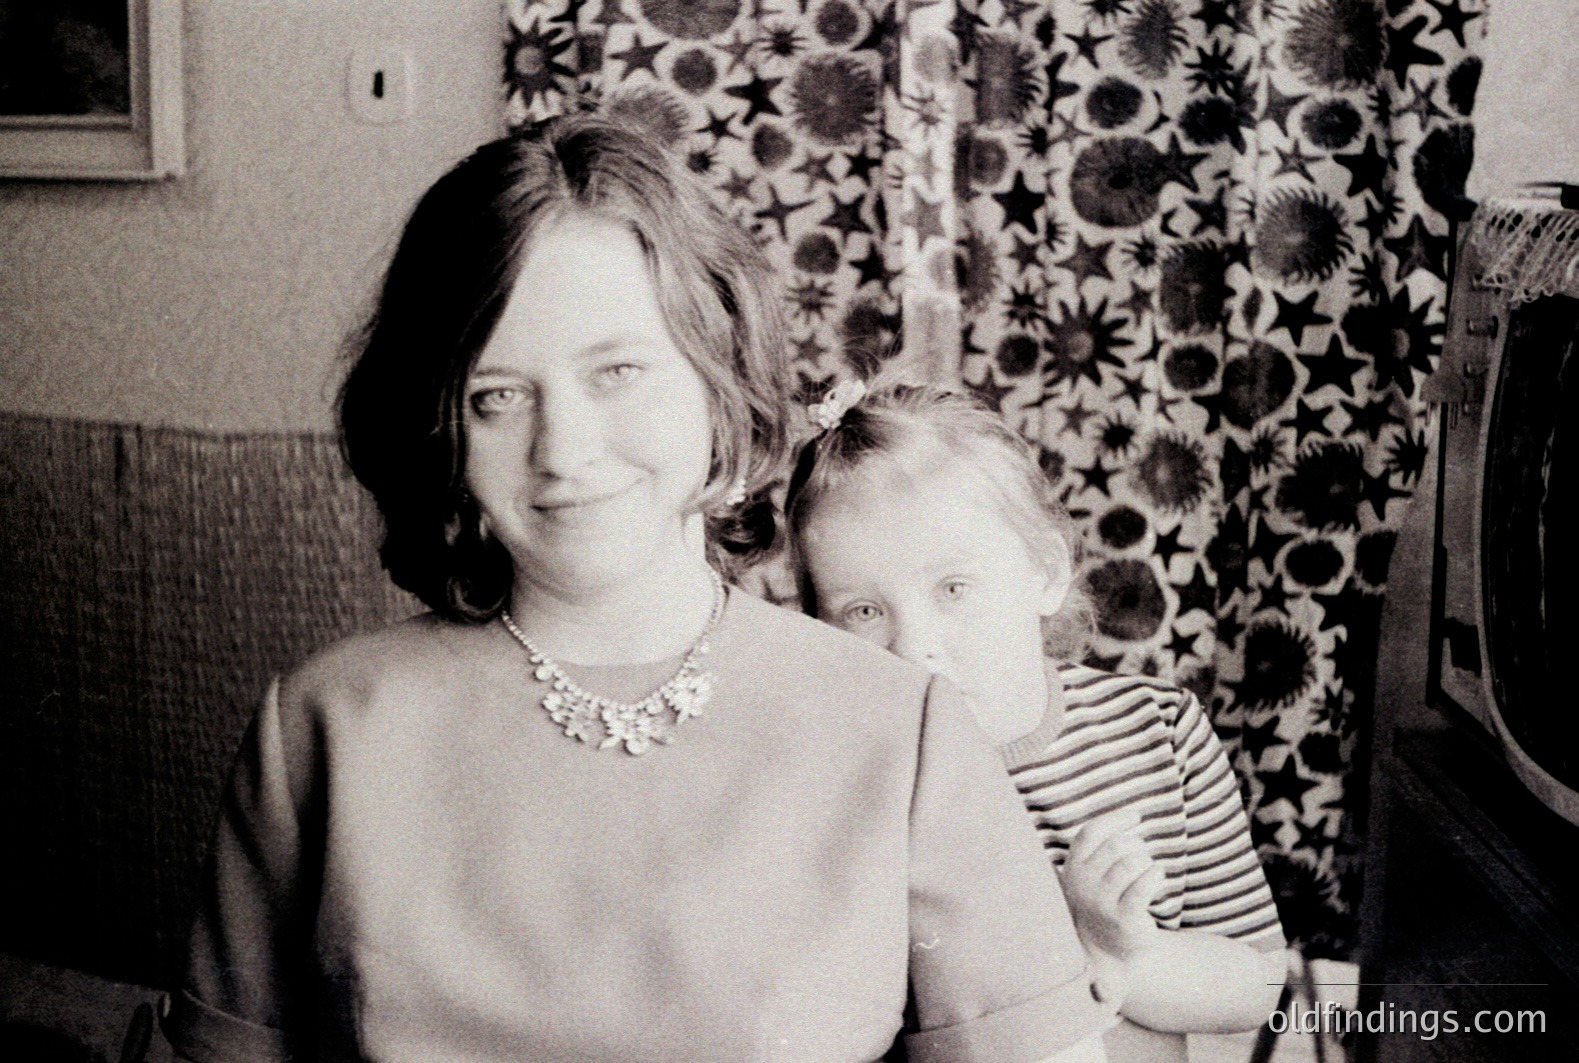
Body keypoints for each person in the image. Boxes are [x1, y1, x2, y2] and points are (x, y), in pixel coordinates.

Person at [160, 116, 1115, 1063]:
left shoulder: (904, 730)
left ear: (717, 378)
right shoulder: (321, 727)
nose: (564, 451)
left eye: (616, 371)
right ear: (440, 431)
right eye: (498, 395)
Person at [784, 381, 1289, 1063]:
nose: (914, 646)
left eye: (953, 588)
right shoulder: (843, 780)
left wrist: (1123, 955)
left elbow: (1254, 983)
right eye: (862, 611)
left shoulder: (1157, 731)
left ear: (1044, 572)